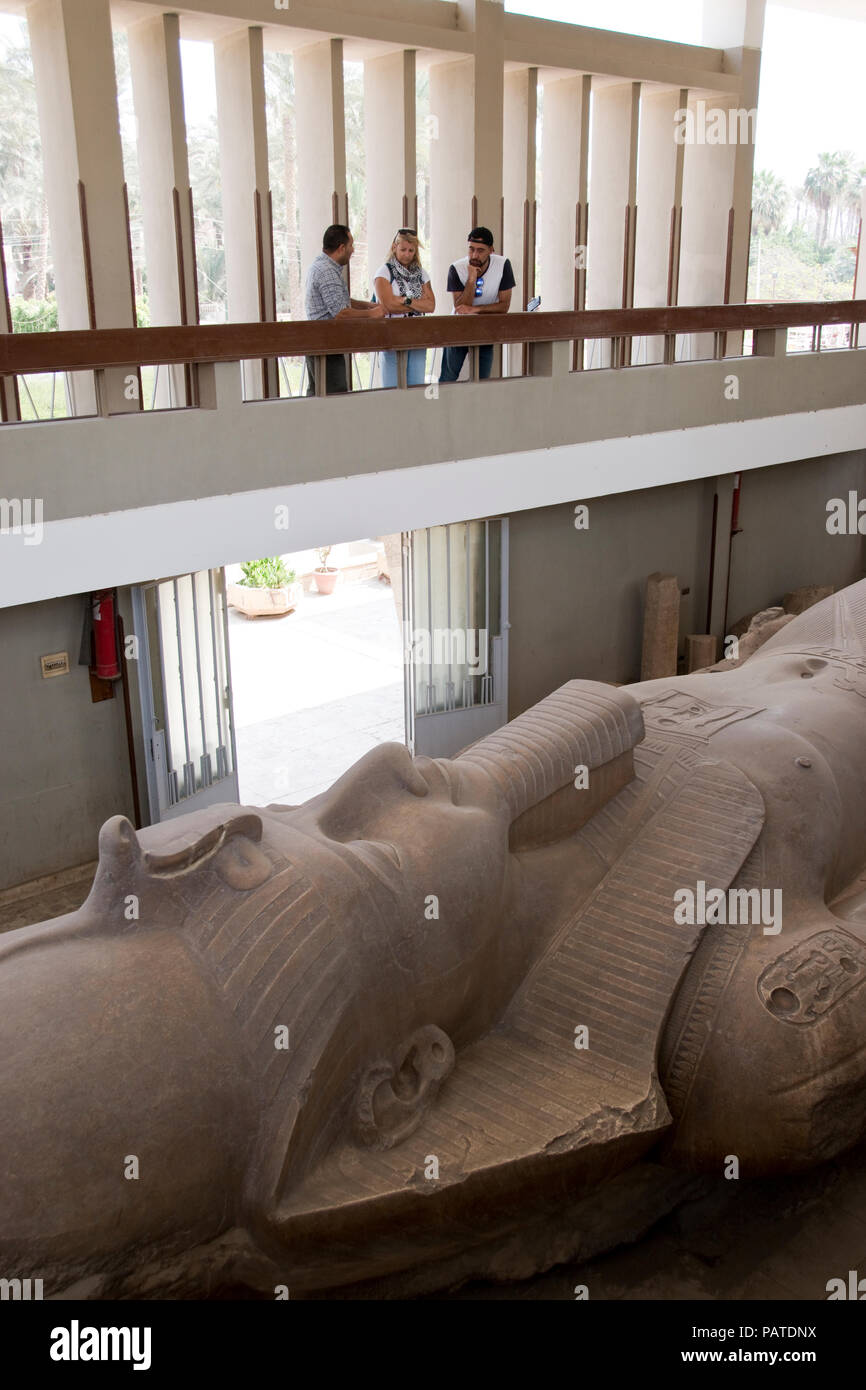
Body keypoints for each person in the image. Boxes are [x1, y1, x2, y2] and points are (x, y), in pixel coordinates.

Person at [304, 224, 384, 395]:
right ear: (341, 248)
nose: (353, 250)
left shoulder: (322, 266)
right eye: (351, 246)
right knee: (335, 396)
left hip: (320, 342)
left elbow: (341, 301)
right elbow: (341, 313)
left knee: (317, 395)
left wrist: (368, 305)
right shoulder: (327, 272)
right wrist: (372, 314)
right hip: (326, 344)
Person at [439, 226, 516, 384]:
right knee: (448, 378)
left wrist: (476, 309)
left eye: (480, 250)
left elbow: (504, 306)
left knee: (482, 380)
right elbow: (460, 307)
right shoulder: (456, 268)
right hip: (457, 328)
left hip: (485, 329)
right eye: (471, 249)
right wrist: (471, 279)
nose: (474, 255)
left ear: (491, 250)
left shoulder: (503, 265)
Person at [373, 229, 436, 387]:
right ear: (394, 247)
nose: (407, 254)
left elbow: (431, 305)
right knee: (391, 387)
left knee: (415, 385)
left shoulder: (421, 273)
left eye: (411, 251)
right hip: (391, 335)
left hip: (417, 335)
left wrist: (404, 301)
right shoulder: (384, 272)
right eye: (403, 250)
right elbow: (388, 305)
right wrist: (416, 304)